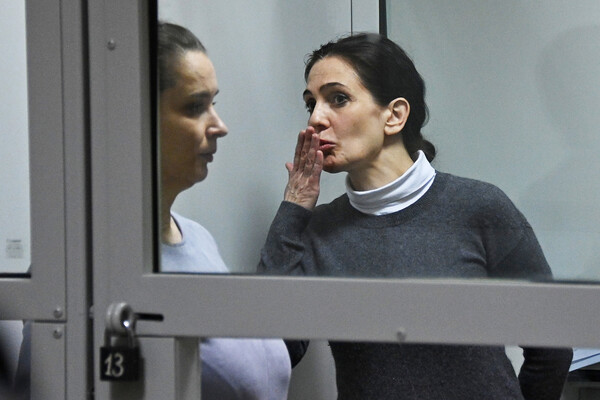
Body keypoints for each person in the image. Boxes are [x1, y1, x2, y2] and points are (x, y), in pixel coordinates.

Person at [258, 33, 573, 399]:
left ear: (394, 115)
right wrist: (294, 207)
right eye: (311, 103)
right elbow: (273, 352)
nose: (315, 119)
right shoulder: (316, 230)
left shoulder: (479, 207)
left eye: (338, 99)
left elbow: (551, 346)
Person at [157, 22, 291, 399]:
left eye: (213, 103)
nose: (220, 126)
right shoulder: (86, 271)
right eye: (195, 107)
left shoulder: (198, 239)